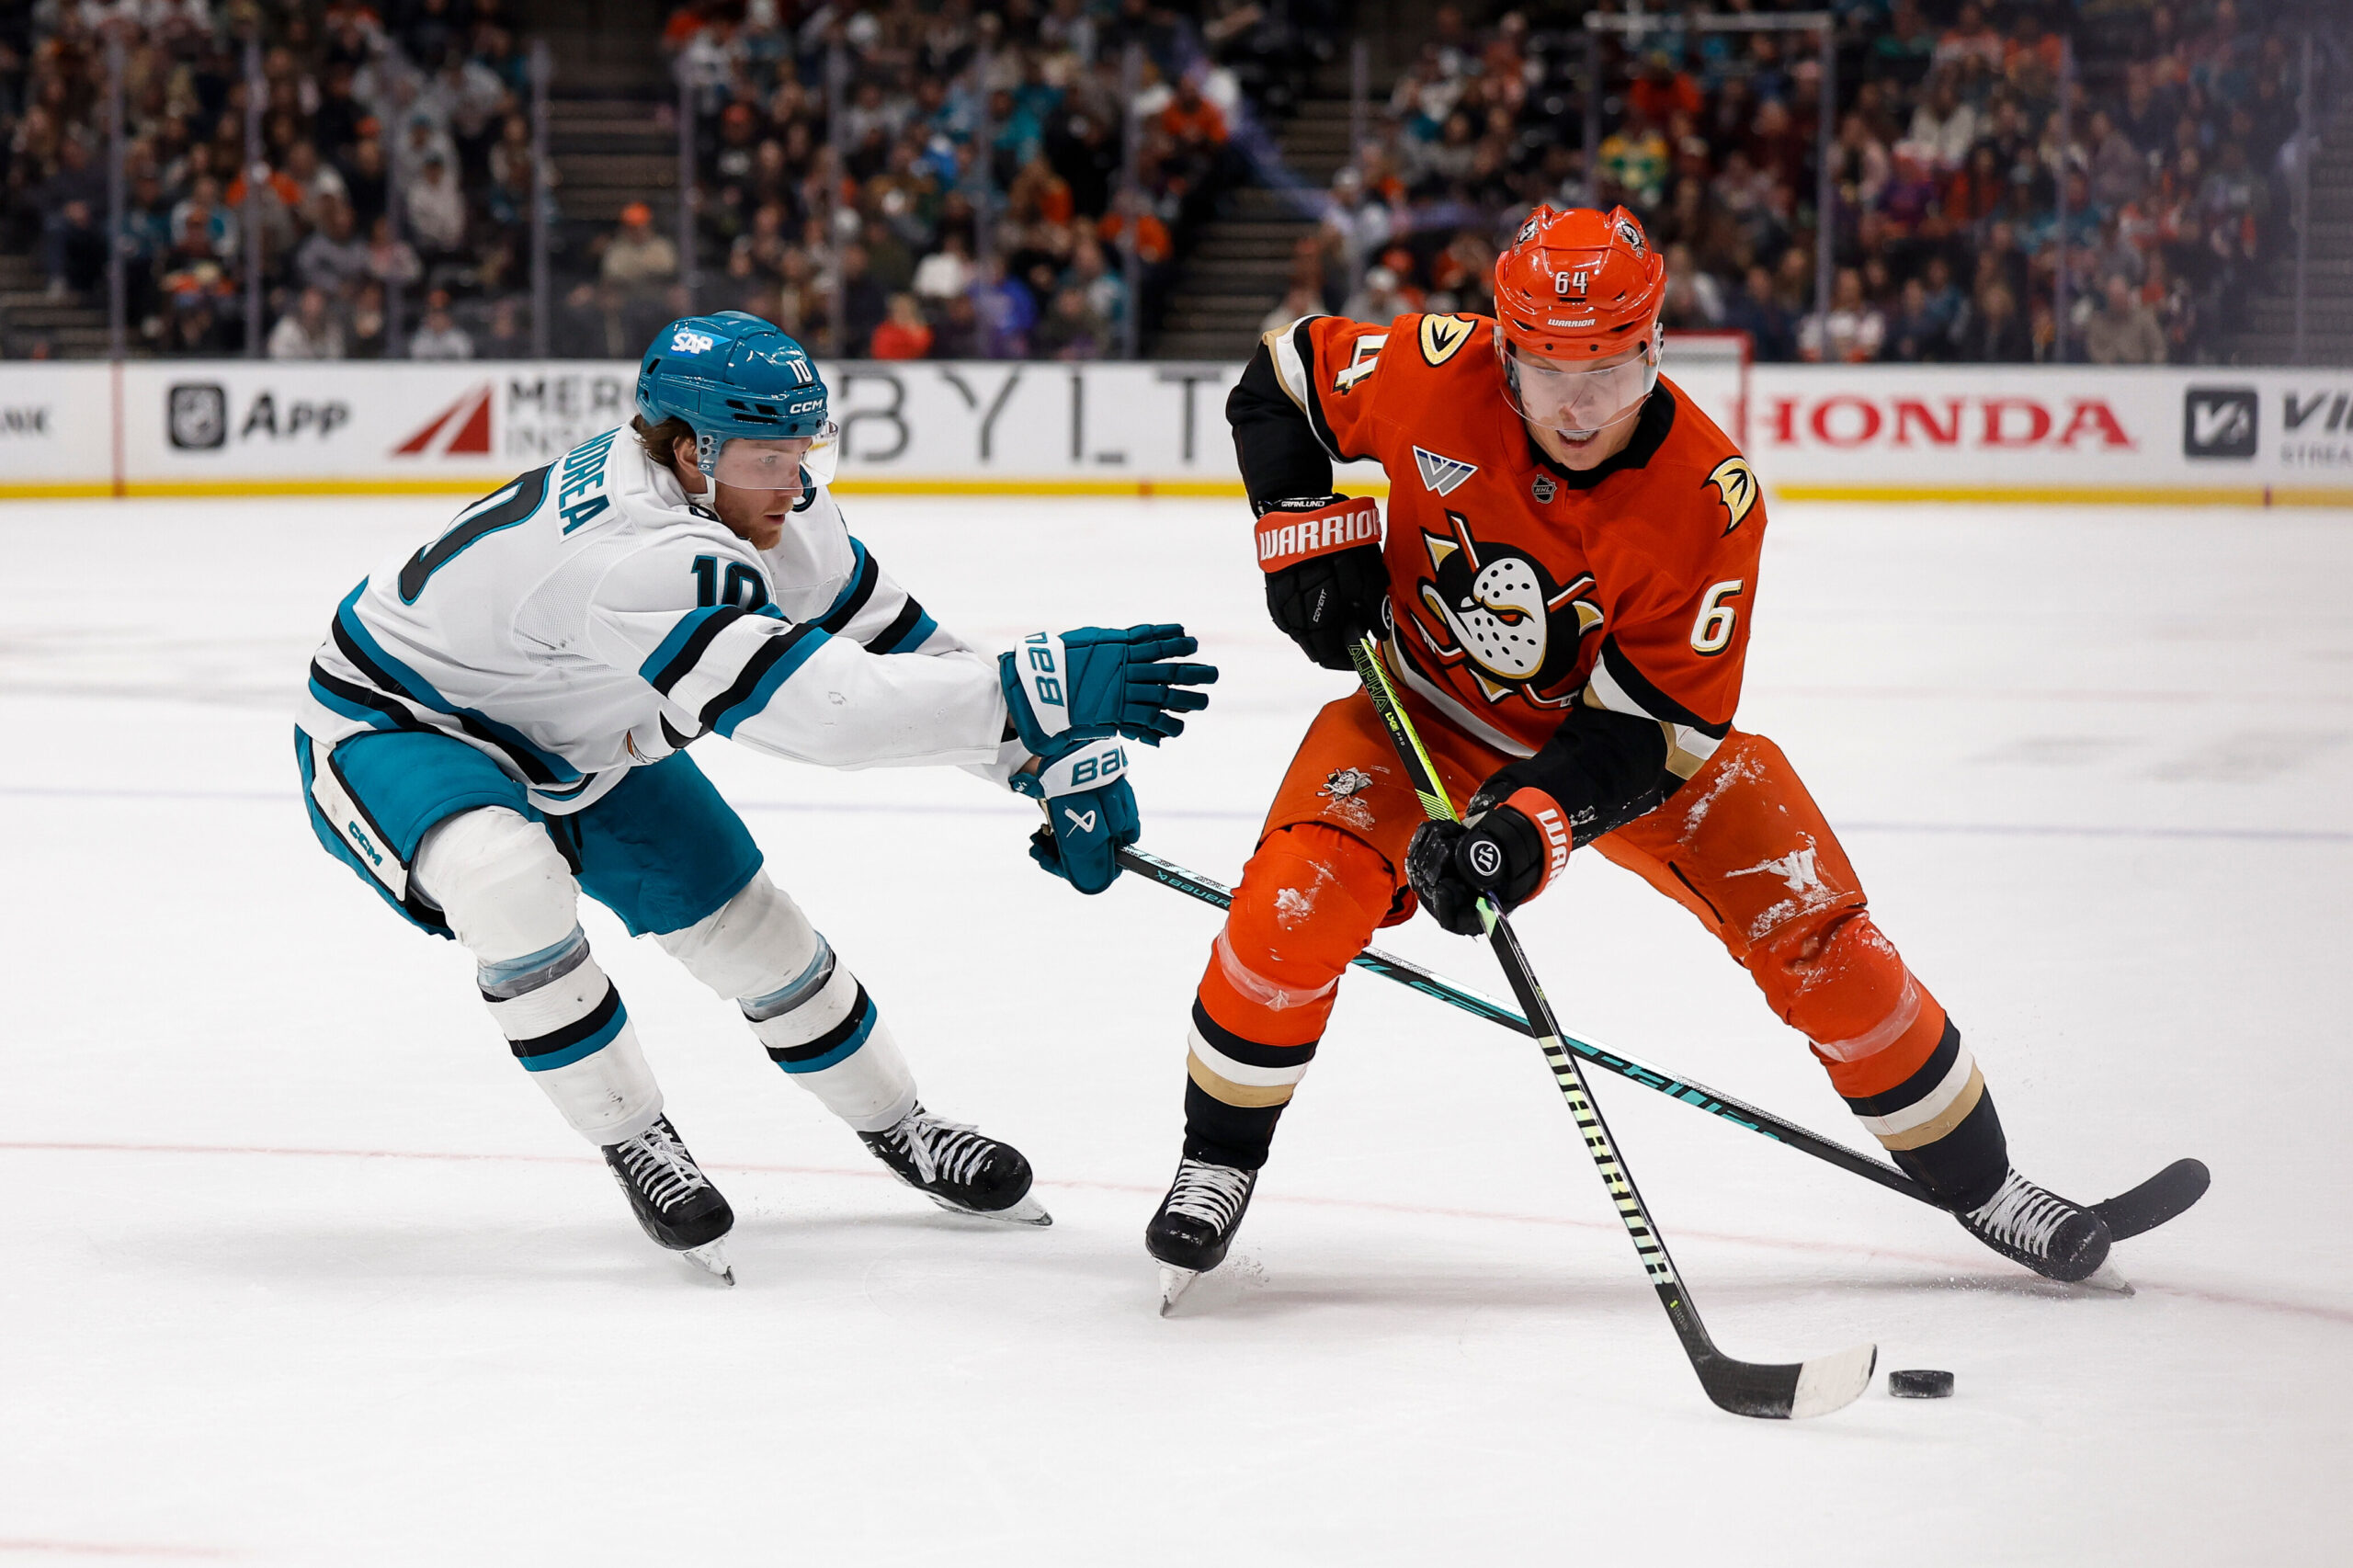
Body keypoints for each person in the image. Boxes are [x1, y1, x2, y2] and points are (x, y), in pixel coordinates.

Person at [1145, 208, 2113, 1310]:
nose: (1579, 404)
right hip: (1419, 711)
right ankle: (1218, 1157)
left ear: (1654, 347)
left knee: (1827, 944)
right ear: (1502, 345)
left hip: (1637, 750)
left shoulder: (1709, 499)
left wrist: (1522, 833)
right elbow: (1276, 379)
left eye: (1608, 367)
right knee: (1290, 908)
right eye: (1549, 368)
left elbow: (1650, 730)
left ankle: (1986, 1182)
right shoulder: (1429, 367)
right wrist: (1303, 537)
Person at [295, 312, 1216, 1281]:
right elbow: (826, 712)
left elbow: (887, 639)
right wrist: (1039, 688)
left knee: (754, 934)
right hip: (398, 720)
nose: (795, 477)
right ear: (694, 452)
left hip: (573, 730)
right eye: (770, 455)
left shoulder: (756, 497)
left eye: (802, 447)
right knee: (505, 880)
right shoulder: (641, 551)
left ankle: (901, 1126)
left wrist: (1037, 759)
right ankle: (634, 1133)